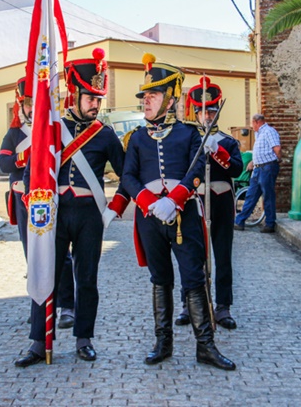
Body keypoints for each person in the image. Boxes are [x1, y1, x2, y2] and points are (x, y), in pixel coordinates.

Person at [15, 48, 129, 367]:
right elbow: (33, 167)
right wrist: (31, 199)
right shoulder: (53, 128)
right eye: (90, 98)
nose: (95, 105)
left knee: (87, 277)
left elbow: (127, 174)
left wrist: (115, 206)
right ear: (75, 94)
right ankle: (40, 341)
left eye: (98, 99)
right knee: (45, 273)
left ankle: (84, 339)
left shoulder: (106, 136)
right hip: (55, 213)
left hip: (90, 215)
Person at [122, 53, 235, 371]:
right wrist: (148, 201)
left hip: (184, 215)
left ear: (170, 99)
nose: (146, 101)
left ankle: (205, 346)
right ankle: (163, 342)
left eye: (153, 95)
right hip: (149, 219)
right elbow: (128, 177)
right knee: (159, 280)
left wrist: (174, 199)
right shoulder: (137, 138)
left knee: (194, 279)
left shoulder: (189, 133)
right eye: (144, 95)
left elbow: (197, 168)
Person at [0, 75, 76, 329]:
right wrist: (27, 154)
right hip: (24, 201)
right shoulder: (14, 133)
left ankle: (67, 306)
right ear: (21, 105)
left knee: (60, 254)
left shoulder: (56, 128)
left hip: (51, 200)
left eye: (37, 102)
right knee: (32, 255)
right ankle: (40, 307)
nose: (33, 107)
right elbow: (4, 163)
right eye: (29, 102)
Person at [175, 78, 243, 330]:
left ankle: (223, 306)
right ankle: (188, 304)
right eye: (203, 111)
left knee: (222, 255)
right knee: (191, 256)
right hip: (196, 202)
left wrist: (218, 151)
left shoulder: (227, 141)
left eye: (211, 111)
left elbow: (236, 169)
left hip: (221, 202)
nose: (207, 116)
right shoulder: (189, 140)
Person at [234, 114, 281, 233]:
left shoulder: (269, 131)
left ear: (256, 122)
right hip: (258, 168)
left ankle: (270, 223)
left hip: (267, 167)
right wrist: (254, 162)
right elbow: (261, 151)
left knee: (268, 195)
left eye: (252, 123)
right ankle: (240, 221)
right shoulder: (259, 134)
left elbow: (277, 149)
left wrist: (277, 160)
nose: (251, 126)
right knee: (251, 194)